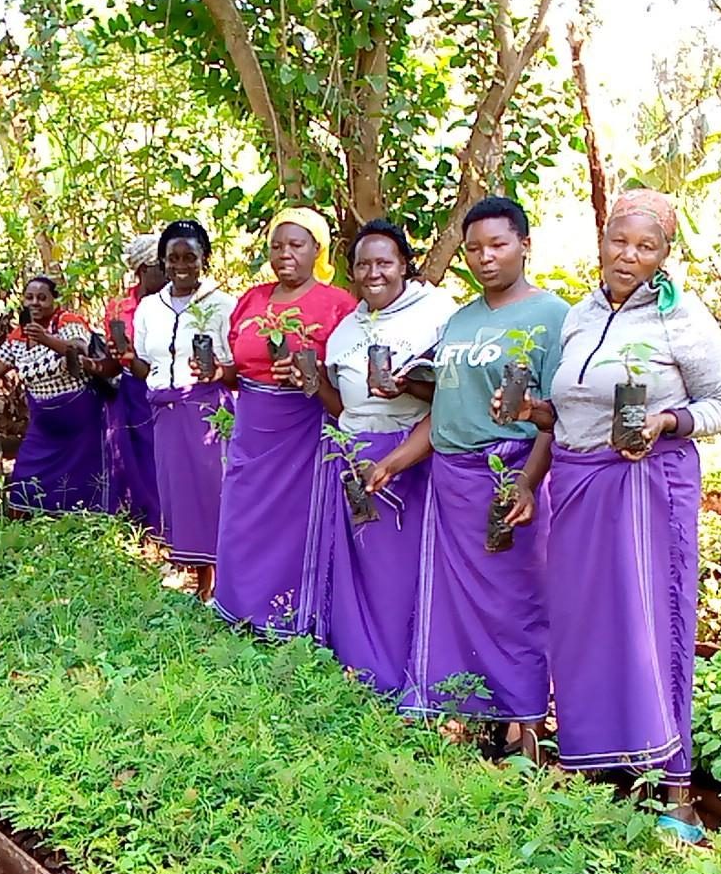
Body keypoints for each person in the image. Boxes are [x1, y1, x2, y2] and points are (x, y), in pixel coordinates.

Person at [512, 189, 721, 841]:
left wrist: (667, 420)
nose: (629, 255)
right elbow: (564, 412)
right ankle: (595, 765)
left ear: (664, 255)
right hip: (576, 482)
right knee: (583, 626)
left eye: (646, 246)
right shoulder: (580, 315)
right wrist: (530, 415)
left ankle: (676, 793)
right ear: (603, 240)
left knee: (651, 625)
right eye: (620, 240)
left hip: (645, 484)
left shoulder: (680, 317)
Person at [376, 196, 566, 759]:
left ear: (524, 246)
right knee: (455, 604)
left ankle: (526, 730)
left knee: (516, 603)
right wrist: (393, 462)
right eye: (474, 248)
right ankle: (468, 713)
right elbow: (445, 410)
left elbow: (558, 416)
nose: (485, 257)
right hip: (451, 482)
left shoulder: (552, 316)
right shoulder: (460, 320)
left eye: (498, 245)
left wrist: (527, 481)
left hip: (507, 477)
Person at [294, 219, 456, 693]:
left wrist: (408, 387)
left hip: (409, 457)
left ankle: (408, 675)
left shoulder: (437, 313)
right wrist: (313, 382)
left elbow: (453, 397)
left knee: (399, 573)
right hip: (351, 456)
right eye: (363, 264)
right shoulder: (346, 329)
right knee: (357, 567)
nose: (374, 273)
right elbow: (343, 407)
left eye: (385, 262)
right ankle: (361, 672)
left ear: (405, 264)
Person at [206, 207, 356, 636]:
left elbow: (347, 378)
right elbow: (240, 370)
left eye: (296, 244)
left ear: (317, 250)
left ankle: (291, 618)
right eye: (276, 245)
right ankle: (239, 609)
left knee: (295, 524)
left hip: (304, 428)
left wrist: (311, 375)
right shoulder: (252, 300)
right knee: (243, 517)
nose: (285, 253)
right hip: (253, 428)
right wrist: (218, 373)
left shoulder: (338, 305)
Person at [130, 219, 235, 601]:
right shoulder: (149, 309)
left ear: (204, 259)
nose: (181, 266)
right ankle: (198, 578)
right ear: (162, 261)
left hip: (207, 412)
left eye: (189, 257)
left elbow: (237, 366)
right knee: (177, 496)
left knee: (212, 493)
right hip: (166, 413)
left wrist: (214, 372)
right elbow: (144, 363)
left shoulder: (223, 305)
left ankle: (220, 584)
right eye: (172, 258)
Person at [0, 275, 115, 515]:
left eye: (42, 298)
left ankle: (85, 525)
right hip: (44, 425)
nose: (35, 303)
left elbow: (79, 349)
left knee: (85, 480)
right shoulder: (19, 336)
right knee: (26, 477)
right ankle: (33, 527)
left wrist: (45, 339)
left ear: (54, 300)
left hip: (81, 421)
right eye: (29, 298)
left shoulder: (67, 322)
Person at [104, 234, 166, 530]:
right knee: (140, 457)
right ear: (143, 270)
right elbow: (114, 357)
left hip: (167, 383)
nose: (169, 272)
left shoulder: (174, 302)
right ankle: (150, 523)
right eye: (161, 266)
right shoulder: (119, 307)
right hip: (134, 389)